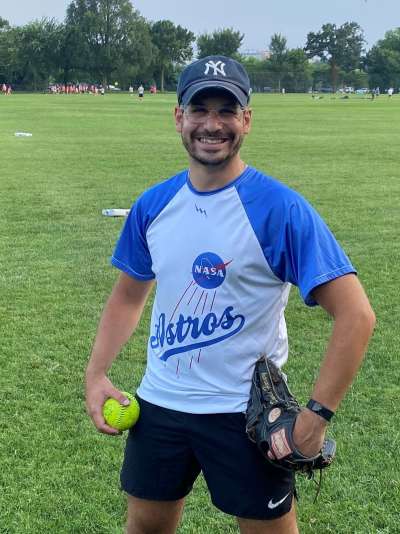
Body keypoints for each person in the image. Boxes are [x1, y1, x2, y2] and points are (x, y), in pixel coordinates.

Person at [85, 55, 375, 533]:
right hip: (159, 407)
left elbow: (356, 315)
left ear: (247, 119)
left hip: (245, 416)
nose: (212, 124)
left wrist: (317, 417)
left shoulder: (280, 209)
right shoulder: (153, 206)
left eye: (227, 110)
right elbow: (128, 296)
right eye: (200, 109)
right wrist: (96, 373)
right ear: (179, 117)